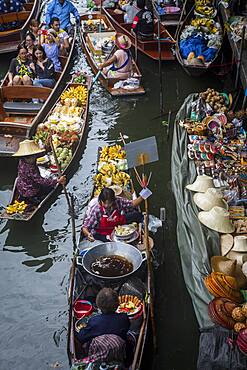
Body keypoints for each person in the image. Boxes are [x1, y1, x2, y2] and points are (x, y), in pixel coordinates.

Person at [13, 140, 66, 205]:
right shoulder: (29, 168)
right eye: (32, 157)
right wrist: (57, 181)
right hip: (29, 190)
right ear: (26, 158)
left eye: (34, 156)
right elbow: (40, 181)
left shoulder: (23, 159)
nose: (34, 158)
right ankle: (33, 200)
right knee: (50, 188)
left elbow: (38, 154)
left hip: (21, 185)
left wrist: (47, 147)